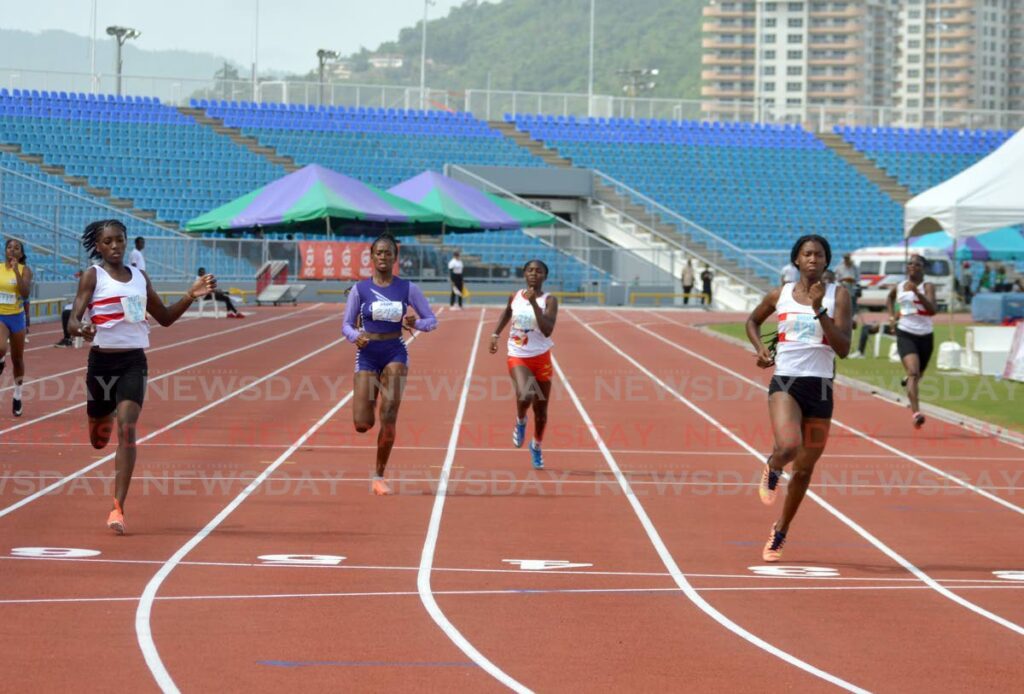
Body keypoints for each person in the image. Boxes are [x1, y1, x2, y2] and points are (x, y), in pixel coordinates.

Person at [67, 220, 216, 534]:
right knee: (99, 440)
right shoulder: (93, 277)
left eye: (119, 240)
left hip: (134, 362)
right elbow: (73, 320)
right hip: (101, 365)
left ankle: (118, 507)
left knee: (127, 428)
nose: (115, 246)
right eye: (108, 242)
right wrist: (82, 329)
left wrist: (190, 294)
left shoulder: (140, 277)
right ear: (98, 246)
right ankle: (101, 413)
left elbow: (164, 318)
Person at [745, 234, 851, 562]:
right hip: (786, 382)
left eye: (819, 255)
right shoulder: (781, 294)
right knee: (788, 447)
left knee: (804, 471)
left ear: (826, 261)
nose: (813, 260)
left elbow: (844, 348)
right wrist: (761, 349)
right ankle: (773, 465)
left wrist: (820, 309)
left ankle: (780, 531)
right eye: (807, 254)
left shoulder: (839, 295)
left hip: (820, 388)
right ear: (796, 260)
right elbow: (752, 321)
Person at [342, 233, 437, 496]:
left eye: (388, 253)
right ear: (372, 257)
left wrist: (415, 323)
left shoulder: (407, 288)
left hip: (395, 350)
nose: (383, 257)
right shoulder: (359, 290)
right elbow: (346, 325)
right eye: (379, 253)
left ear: (395, 258)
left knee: (390, 413)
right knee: (362, 423)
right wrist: (355, 336)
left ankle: (379, 475)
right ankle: (369, 401)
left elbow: (432, 320)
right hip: (368, 353)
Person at [489, 260, 558, 470]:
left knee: (542, 412)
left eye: (538, 271)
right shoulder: (515, 296)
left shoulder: (550, 300)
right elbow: (507, 312)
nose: (534, 274)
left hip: (542, 358)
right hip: (518, 355)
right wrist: (495, 333)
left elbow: (547, 330)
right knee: (526, 393)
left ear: (545, 276)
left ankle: (536, 445)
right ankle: (520, 421)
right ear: (524, 274)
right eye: (530, 270)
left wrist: (535, 304)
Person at [887, 254, 937, 429]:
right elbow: (890, 298)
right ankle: (916, 413)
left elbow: (932, 310)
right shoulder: (900, 286)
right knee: (913, 372)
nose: (913, 266)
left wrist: (916, 292)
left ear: (923, 267)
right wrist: (892, 317)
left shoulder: (928, 286)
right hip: (906, 332)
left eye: (917, 264)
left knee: (918, 375)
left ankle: (908, 380)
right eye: (910, 263)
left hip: (926, 335)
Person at [1, 239, 33, 417]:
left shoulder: (25, 270)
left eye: (16, 248)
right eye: (9, 247)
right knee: (0, 347)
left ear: (20, 254)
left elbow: (25, 292)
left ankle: (17, 394)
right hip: (0, 316)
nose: (12, 250)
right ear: (5, 251)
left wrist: (15, 270)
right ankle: (0, 360)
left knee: (18, 360)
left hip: (16, 317)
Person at [834, 253, 860, 325]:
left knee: (852, 305)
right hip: (842, 288)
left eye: (847, 258)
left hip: (852, 289)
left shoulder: (855, 268)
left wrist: (852, 280)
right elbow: (835, 279)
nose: (846, 260)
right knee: (841, 304)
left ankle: (851, 320)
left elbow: (858, 279)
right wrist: (843, 280)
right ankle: (841, 318)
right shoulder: (839, 267)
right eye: (845, 258)